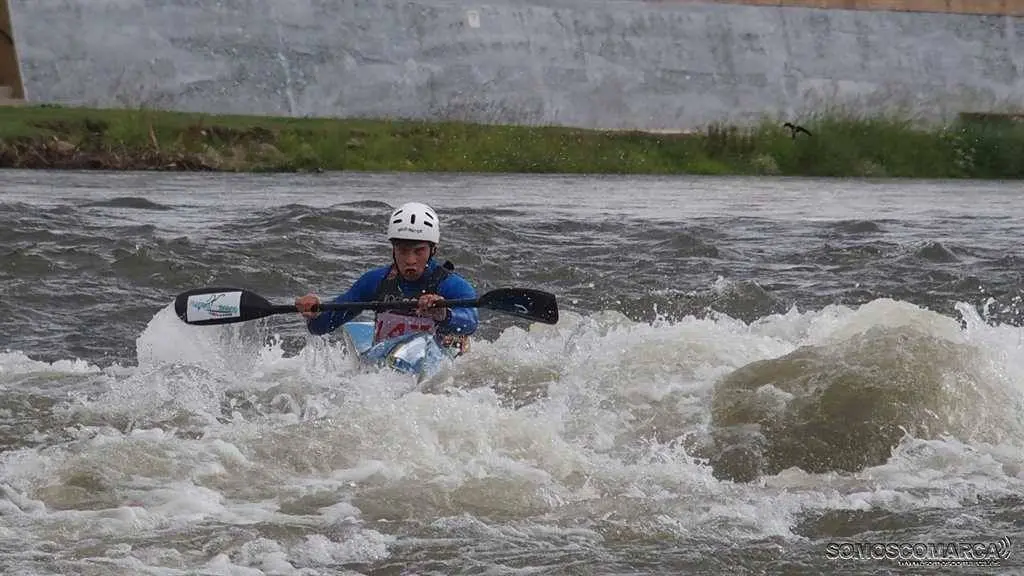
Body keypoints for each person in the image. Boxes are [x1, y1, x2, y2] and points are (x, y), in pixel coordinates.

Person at [294, 202, 479, 354]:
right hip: (388, 364)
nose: (410, 260)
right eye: (403, 250)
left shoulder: (452, 285)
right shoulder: (375, 281)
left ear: (433, 250)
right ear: (393, 250)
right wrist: (314, 312)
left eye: (419, 251)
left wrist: (443, 313)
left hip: (439, 361)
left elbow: (471, 323)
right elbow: (320, 327)